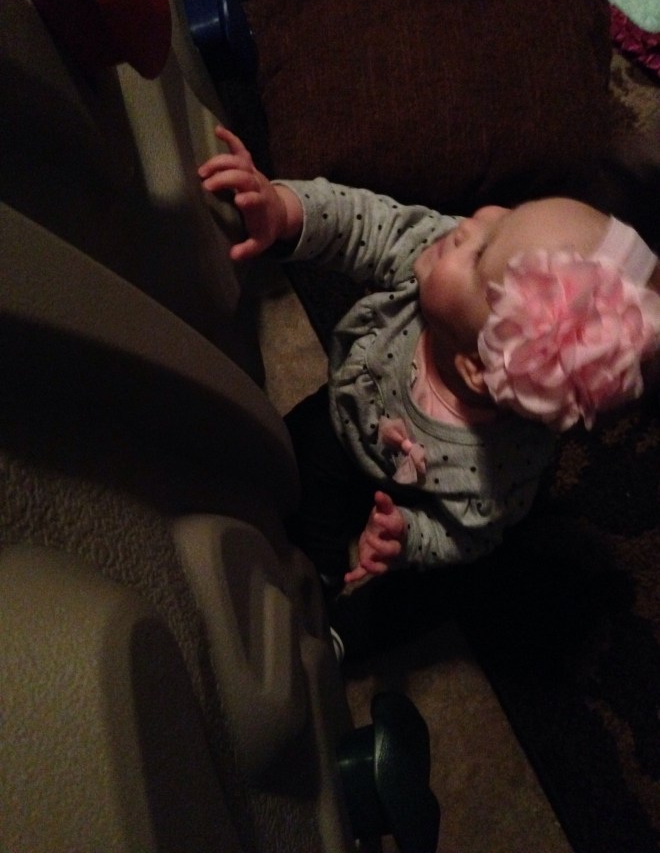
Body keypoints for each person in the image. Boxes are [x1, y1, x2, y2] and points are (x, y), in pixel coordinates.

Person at [199, 126, 660, 595]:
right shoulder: (435, 247)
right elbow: (364, 223)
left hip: (408, 491)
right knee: (273, 453)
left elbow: (467, 535)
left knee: (343, 575)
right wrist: (284, 211)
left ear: (476, 368)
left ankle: (321, 585)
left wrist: (409, 536)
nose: (476, 220)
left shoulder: (498, 473)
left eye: (480, 252)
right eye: (511, 213)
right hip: (344, 412)